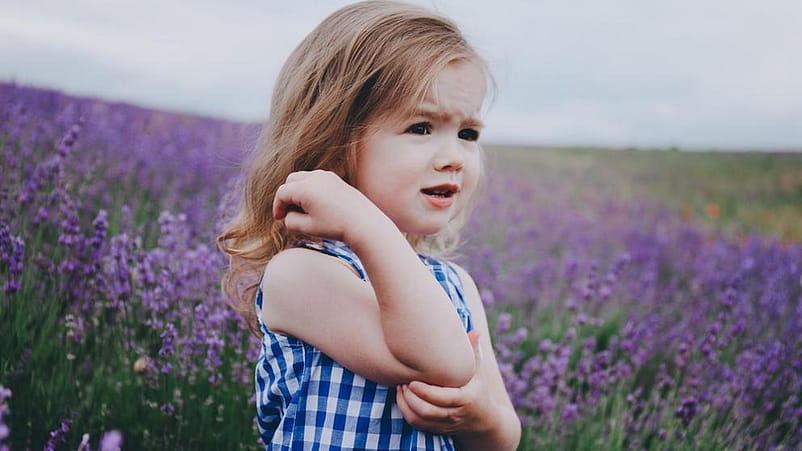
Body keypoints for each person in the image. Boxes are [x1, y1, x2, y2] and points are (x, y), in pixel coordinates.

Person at [218, 1, 521, 449]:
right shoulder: (300, 273)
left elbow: (505, 438)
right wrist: (366, 223)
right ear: (336, 142)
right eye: (420, 127)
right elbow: (443, 362)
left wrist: (477, 419)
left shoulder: (456, 284)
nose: (454, 156)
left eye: (468, 134)